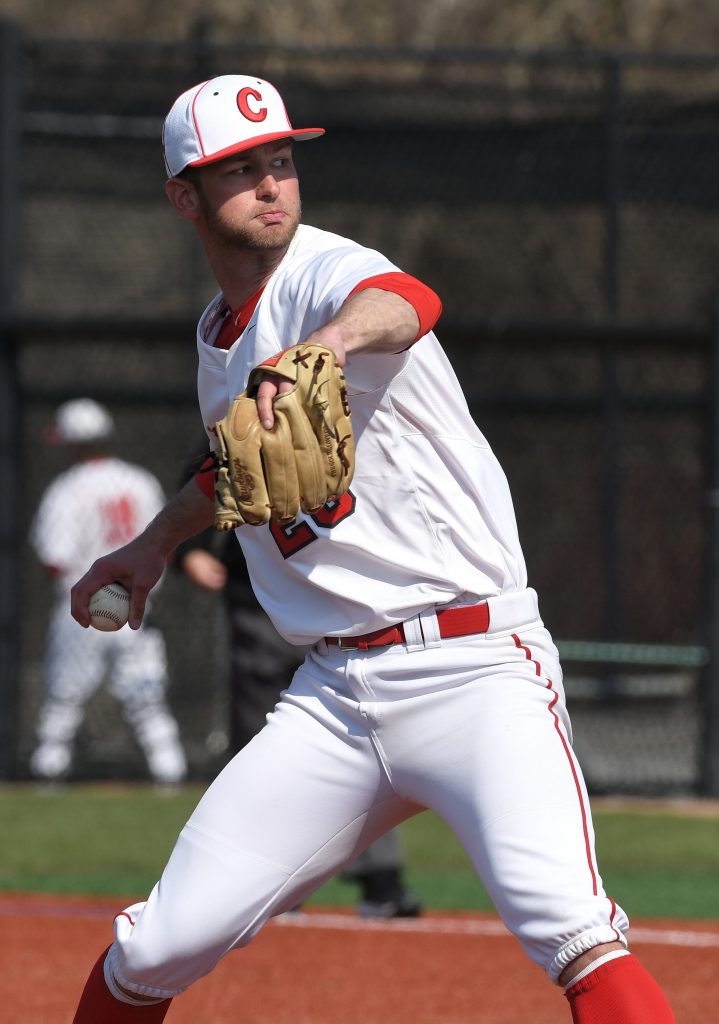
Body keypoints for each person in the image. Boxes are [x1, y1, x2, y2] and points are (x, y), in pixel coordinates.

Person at [69, 75, 675, 1022]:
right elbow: (234, 470)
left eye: (280, 161)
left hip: (476, 668)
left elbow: (407, 297)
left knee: (572, 928)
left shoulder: (321, 272)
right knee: (156, 946)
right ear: (184, 197)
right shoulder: (217, 338)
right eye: (239, 170)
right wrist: (150, 547)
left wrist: (336, 342)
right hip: (335, 700)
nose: (271, 184)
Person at [174, 453, 422, 918]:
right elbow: (206, 475)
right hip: (263, 601)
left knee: (362, 730)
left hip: (344, 601)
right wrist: (190, 551)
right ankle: (275, 882)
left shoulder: (362, 419)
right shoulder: (245, 406)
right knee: (265, 743)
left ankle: (380, 879)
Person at [29, 398, 187, 788]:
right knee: (147, 701)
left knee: (64, 702)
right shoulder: (139, 480)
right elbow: (165, 543)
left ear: (73, 443)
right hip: (135, 605)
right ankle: (171, 777)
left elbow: (55, 557)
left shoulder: (67, 488)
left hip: (84, 608)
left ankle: (48, 777)